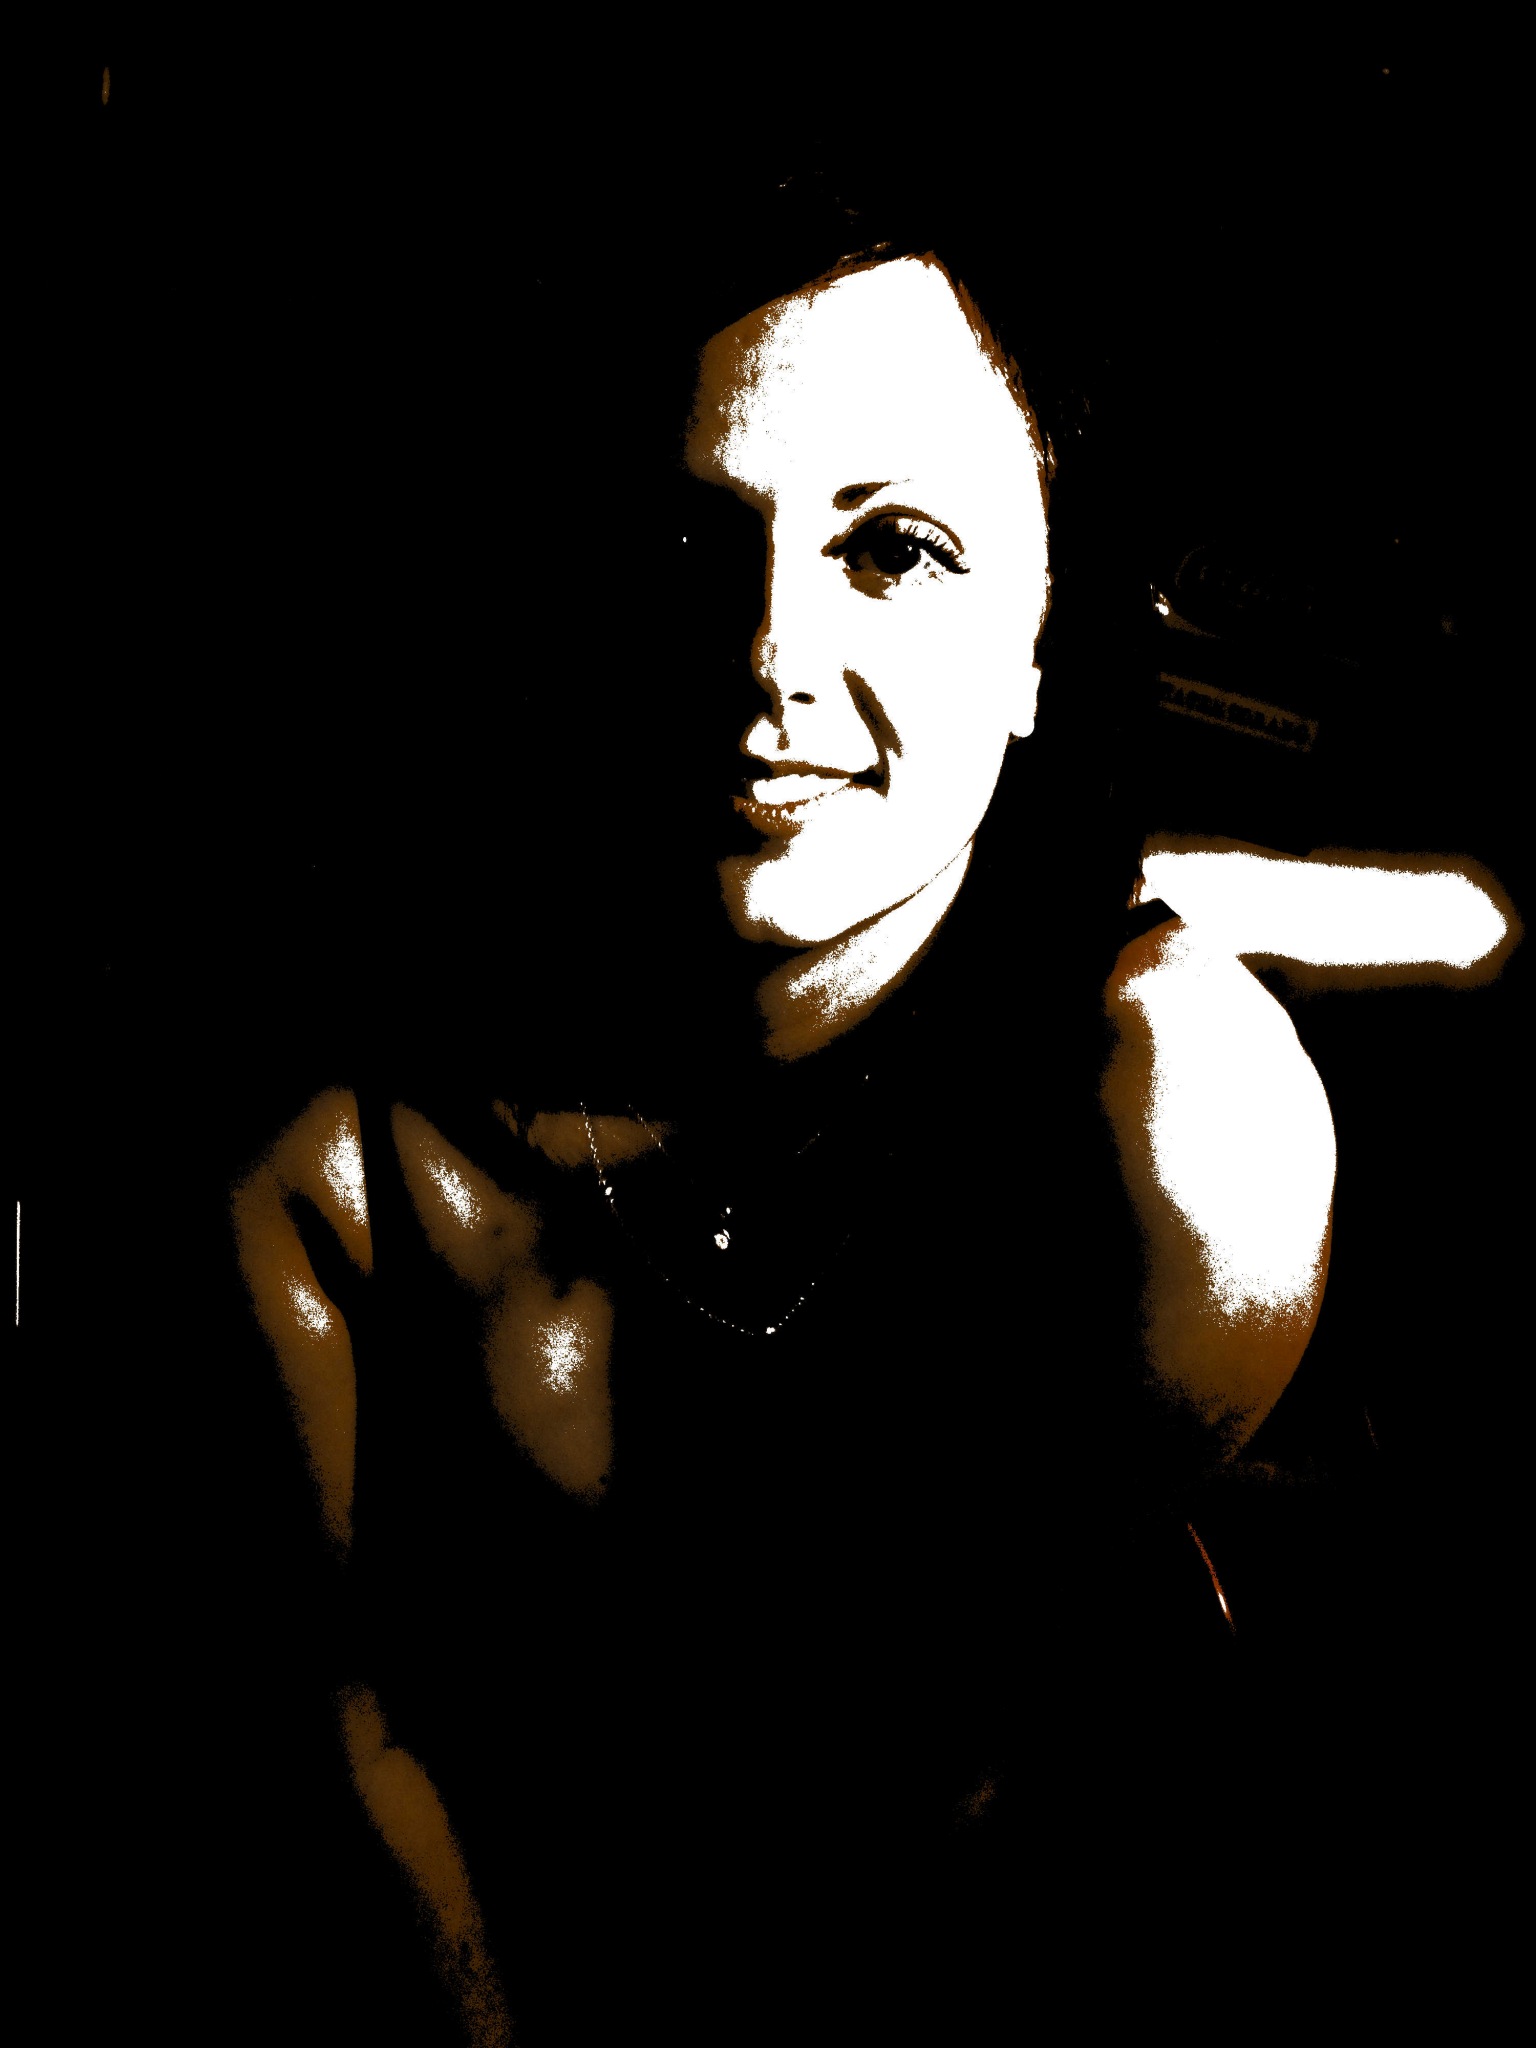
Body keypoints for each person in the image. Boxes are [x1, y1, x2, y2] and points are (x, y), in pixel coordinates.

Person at [223, 169, 1523, 2044]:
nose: (767, 659)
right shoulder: (339, 1166)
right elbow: (343, 1736)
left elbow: (997, 1783)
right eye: (691, 543)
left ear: (1037, 644)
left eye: (894, 550)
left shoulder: (1170, 1136)